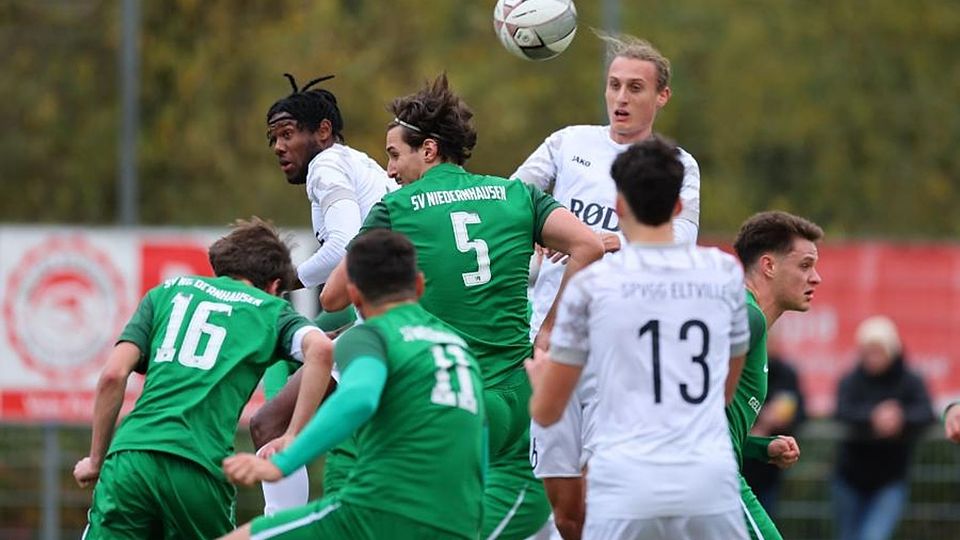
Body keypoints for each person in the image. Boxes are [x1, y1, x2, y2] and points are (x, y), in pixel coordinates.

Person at [320, 73, 605, 539]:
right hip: (517, 395)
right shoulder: (516, 194)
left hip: (450, 398)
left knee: (358, 466)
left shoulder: (398, 207)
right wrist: (551, 327)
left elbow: (333, 295)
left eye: (395, 154)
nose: (389, 170)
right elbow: (589, 245)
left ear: (428, 150)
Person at [514, 33, 701, 539]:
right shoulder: (568, 142)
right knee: (560, 507)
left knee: (603, 495)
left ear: (661, 96)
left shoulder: (676, 166)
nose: (621, 98)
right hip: (548, 343)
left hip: (619, 348)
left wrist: (591, 242)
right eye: (614, 85)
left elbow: (677, 244)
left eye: (635, 88)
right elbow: (511, 203)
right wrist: (539, 233)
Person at [526, 136, 749, 540]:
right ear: (678, 207)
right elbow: (725, 390)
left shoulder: (593, 285)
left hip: (626, 482)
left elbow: (547, 410)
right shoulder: (725, 274)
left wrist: (542, 383)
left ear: (620, 207)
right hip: (708, 482)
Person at [73, 218, 333, 539]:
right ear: (275, 286)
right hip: (199, 469)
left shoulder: (166, 293)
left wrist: (96, 460)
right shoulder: (270, 310)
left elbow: (113, 375)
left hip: (130, 458)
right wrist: (293, 436)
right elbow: (321, 350)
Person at [220, 229, 486, 540]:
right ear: (418, 285)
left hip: (382, 513)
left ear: (355, 296)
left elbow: (359, 398)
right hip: (462, 522)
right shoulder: (456, 346)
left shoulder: (368, 335)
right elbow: (478, 438)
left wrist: (284, 462)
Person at [255, 72, 395, 513]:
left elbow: (344, 245)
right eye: (272, 138)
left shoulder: (326, 165)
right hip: (395, 315)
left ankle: (281, 528)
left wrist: (287, 279)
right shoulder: (358, 164)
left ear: (323, 131)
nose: (279, 146)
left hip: (388, 322)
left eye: (287, 134)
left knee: (268, 423)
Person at [729, 210, 824, 540]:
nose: (816, 278)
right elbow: (688, 408)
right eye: (804, 265)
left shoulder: (746, 315)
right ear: (769, 266)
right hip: (712, 478)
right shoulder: (747, 316)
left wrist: (758, 447)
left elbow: (709, 417)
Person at [833, 315, 935, 540]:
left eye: (877, 351)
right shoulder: (851, 380)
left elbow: (926, 412)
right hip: (850, 477)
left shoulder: (910, 380)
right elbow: (842, 411)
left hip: (891, 478)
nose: (872, 358)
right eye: (867, 351)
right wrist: (873, 417)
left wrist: (901, 417)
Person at [740, 336, 807, 519]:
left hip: (768, 471)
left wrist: (781, 423)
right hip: (736, 468)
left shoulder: (786, 373)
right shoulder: (741, 369)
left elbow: (799, 410)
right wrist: (760, 422)